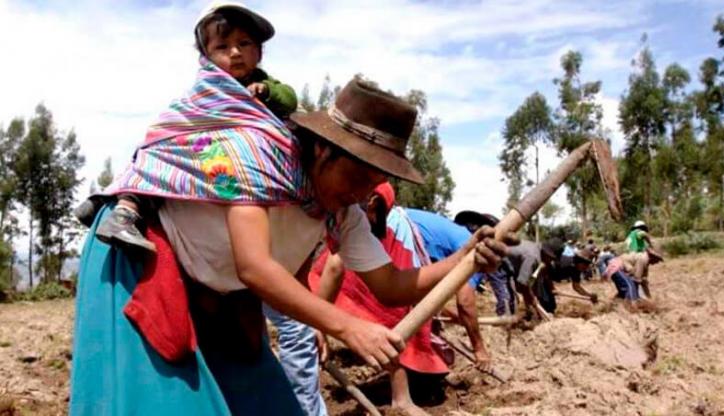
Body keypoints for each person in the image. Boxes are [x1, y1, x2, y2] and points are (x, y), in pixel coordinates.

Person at [70, 18, 512, 414]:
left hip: (220, 293)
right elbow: (255, 267)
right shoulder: (259, 155)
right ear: (321, 149)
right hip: (141, 261)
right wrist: (346, 326)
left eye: (374, 179)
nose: (363, 192)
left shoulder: (342, 211)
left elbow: (392, 285)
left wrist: (465, 258)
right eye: (357, 174)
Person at [83, 1, 299, 253]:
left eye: (244, 43)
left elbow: (289, 99)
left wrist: (268, 92)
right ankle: (124, 213)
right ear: (206, 58)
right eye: (222, 47)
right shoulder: (206, 88)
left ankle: (105, 200)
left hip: (243, 158)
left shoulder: (264, 82)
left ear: (259, 52)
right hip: (205, 147)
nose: (235, 52)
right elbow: (182, 119)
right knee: (160, 152)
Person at [310, 184, 448, 416]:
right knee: (303, 341)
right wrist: (316, 323)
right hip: (274, 279)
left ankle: (401, 399)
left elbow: (396, 285)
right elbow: (334, 265)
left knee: (390, 320)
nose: (377, 220)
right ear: (372, 202)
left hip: (383, 274)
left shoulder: (390, 226)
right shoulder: (349, 212)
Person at [405, 208, 492, 371]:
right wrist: (479, 349)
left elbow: (429, 298)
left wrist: (455, 316)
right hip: (396, 232)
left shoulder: (450, 234)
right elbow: (465, 302)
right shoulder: (474, 248)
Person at [454, 211, 517, 316]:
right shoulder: (467, 243)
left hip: (495, 265)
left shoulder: (489, 246)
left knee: (505, 292)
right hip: (492, 265)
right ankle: (505, 313)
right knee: (502, 291)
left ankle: (506, 313)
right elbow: (464, 300)